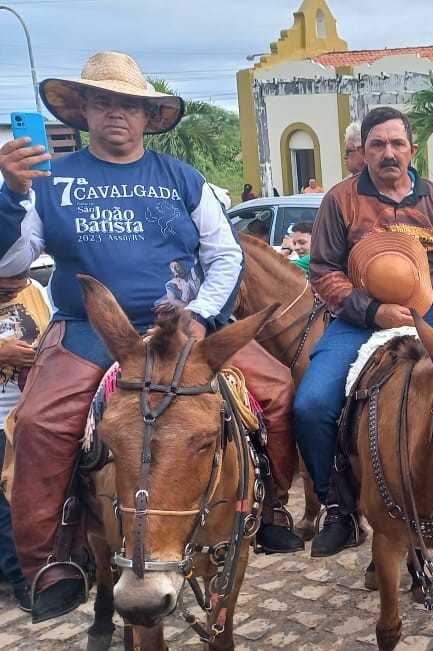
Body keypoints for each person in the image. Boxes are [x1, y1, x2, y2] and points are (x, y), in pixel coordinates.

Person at [0, 51, 304, 622]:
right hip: (93, 328)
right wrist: (10, 195)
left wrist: (203, 316)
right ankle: (52, 561)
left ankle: (270, 512)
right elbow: (15, 257)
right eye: (103, 101)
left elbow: (223, 254)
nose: (117, 113)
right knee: (42, 423)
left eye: (129, 104)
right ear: (83, 111)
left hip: (181, 329)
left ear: (147, 116)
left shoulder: (183, 178)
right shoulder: (48, 180)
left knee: (279, 390)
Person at [296, 106, 433, 557]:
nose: (388, 153)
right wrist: (373, 310)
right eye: (377, 144)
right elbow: (323, 272)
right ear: (363, 151)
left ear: (412, 150)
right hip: (359, 320)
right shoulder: (339, 200)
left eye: (397, 144)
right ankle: (338, 505)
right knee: (312, 404)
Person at [0, 272, 50, 613]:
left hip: (38, 412)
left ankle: (56, 566)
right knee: (6, 502)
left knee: (44, 493)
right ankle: (22, 579)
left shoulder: (40, 291)